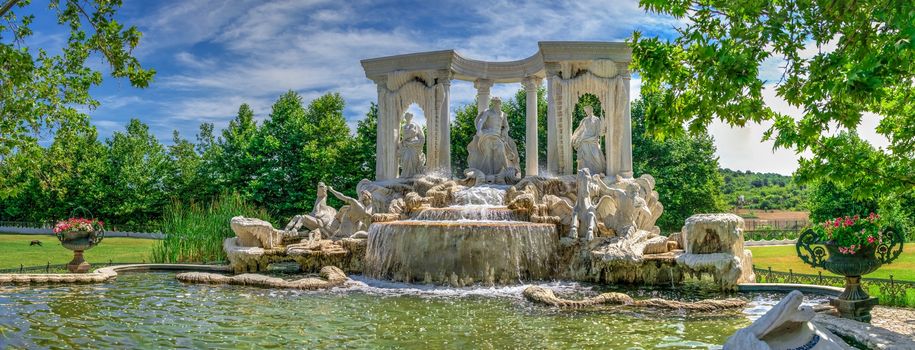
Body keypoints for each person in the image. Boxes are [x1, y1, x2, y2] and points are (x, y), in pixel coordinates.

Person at [571, 105, 606, 174]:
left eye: (588, 110)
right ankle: (585, 173)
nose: (587, 112)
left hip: (593, 140)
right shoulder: (584, 120)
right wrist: (574, 138)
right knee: (584, 159)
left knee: (597, 156)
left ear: (591, 110)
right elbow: (580, 130)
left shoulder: (596, 119)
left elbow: (599, 131)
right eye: (585, 111)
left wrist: (603, 123)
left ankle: (597, 173)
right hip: (584, 140)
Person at [398, 112, 426, 178]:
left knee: (414, 160)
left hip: (414, 144)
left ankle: (413, 174)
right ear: (405, 117)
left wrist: (416, 143)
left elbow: (421, 136)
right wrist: (403, 142)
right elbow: (403, 136)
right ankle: (406, 174)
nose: (407, 117)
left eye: (409, 116)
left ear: (411, 117)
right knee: (406, 159)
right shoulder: (403, 126)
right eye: (406, 116)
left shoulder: (415, 125)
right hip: (406, 145)